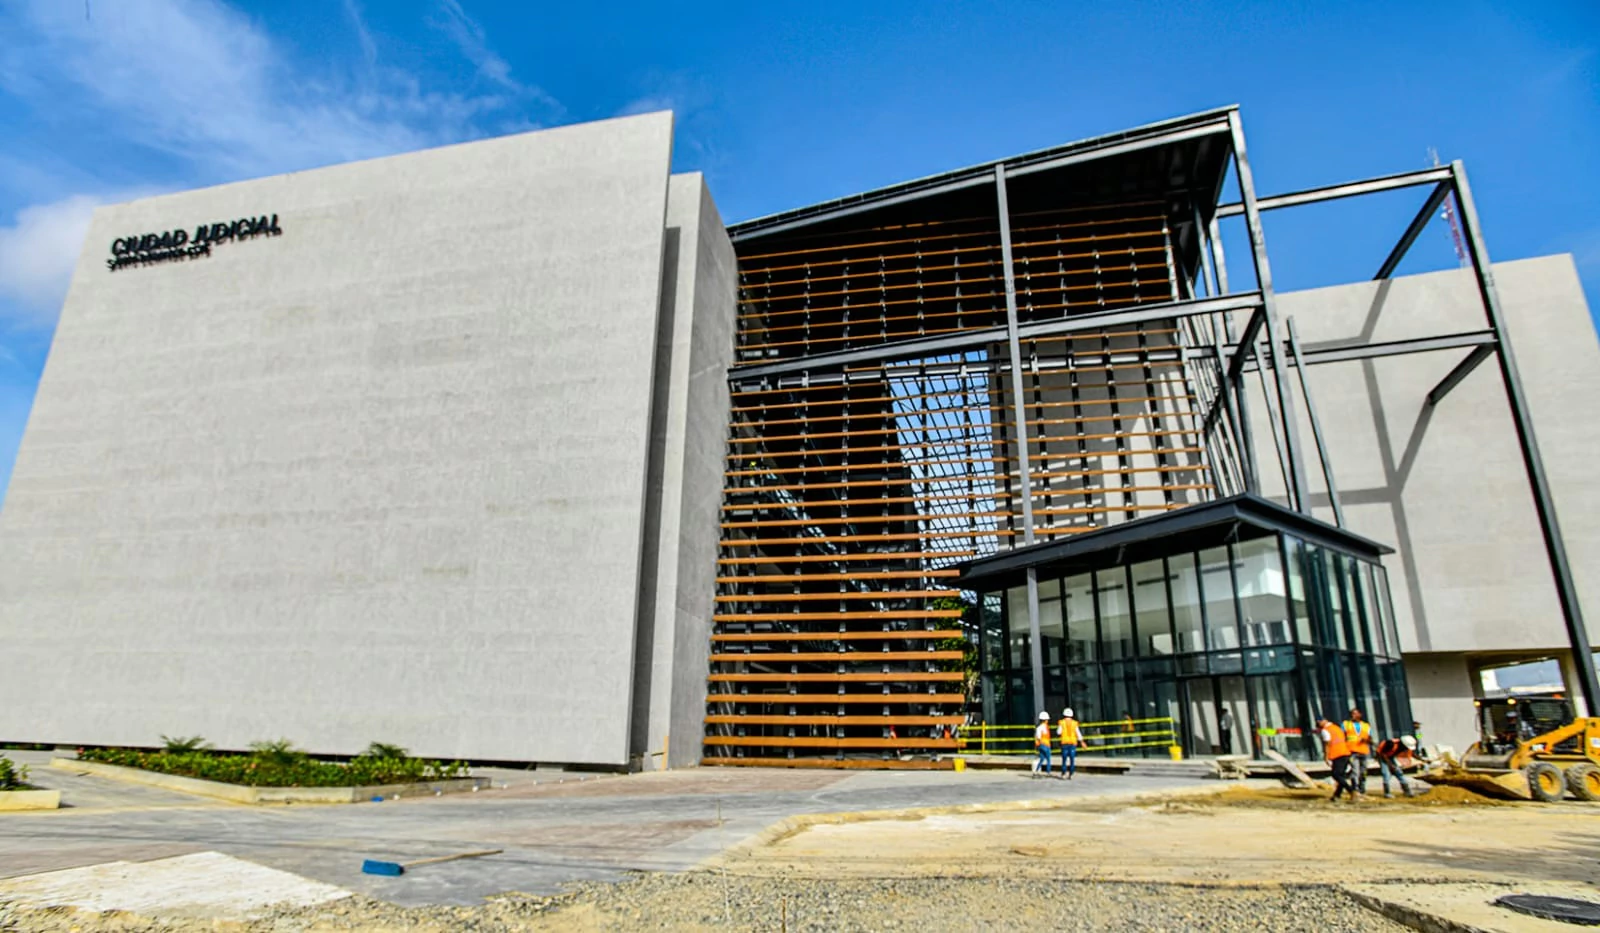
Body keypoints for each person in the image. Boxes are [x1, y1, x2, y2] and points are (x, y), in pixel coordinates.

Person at [1318, 718, 1357, 801]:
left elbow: (1327, 744)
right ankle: (1337, 795)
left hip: (1337, 754)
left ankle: (1351, 790)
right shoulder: (1337, 728)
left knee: (1336, 775)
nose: (1318, 724)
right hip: (1345, 753)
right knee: (1341, 776)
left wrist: (1326, 756)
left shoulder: (1325, 730)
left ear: (1324, 721)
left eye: (1319, 722)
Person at [1342, 709, 1373, 796]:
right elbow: (1342, 736)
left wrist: (1366, 740)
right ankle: (1355, 788)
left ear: (1360, 714)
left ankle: (1362, 786)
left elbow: (1370, 737)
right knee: (1355, 770)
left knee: (1364, 771)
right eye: (1352, 714)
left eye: (1355, 714)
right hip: (1352, 751)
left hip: (1363, 750)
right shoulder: (1346, 724)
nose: (1353, 715)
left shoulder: (1366, 726)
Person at [1058, 708, 1083, 780]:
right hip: (1072, 743)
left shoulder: (1062, 722)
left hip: (1064, 743)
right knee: (1072, 760)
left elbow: (1058, 732)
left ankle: (1063, 774)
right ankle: (1071, 774)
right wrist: (1081, 741)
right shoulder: (1074, 723)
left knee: (1064, 760)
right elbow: (1078, 733)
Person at [1031, 711, 1052, 777]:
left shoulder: (1039, 727)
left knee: (1042, 759)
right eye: (1047, 720)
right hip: (1046, 745)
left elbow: (1037, 737)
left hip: (1041, 745)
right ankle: (1048, 772)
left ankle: (1036, 771)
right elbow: (1040, 737)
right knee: (1048, 759)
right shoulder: (1045, 727)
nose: (1048, 721)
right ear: (1045, 720)